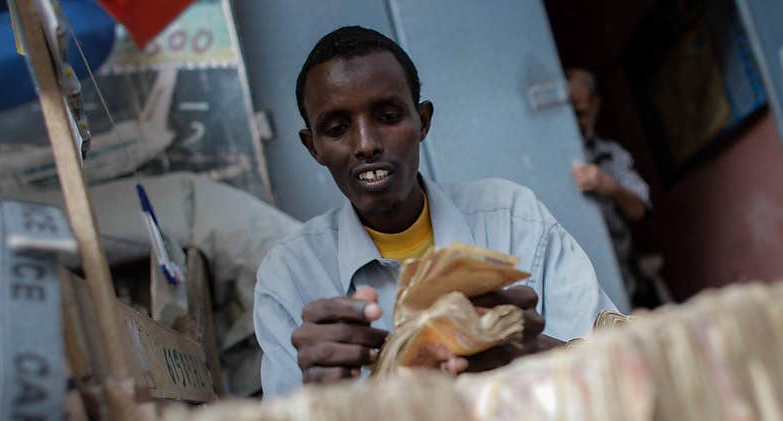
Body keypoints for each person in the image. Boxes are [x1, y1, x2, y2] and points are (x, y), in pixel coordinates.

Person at [254, 26, 616, 397]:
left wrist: (528, 353)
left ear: (423, 121)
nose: (365, 144)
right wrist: (318, 399)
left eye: (388, 116)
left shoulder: (513, 218)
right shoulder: (291, 275)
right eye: (336, 128)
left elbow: (619, 367)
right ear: (312, 146)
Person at [567, 68, 652, 302]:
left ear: (595, 107)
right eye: (568, 114)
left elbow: (640, 210)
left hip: (620, 287)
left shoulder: (611, 155)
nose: (574, 123)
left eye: (581, 113)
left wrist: (609, 186)